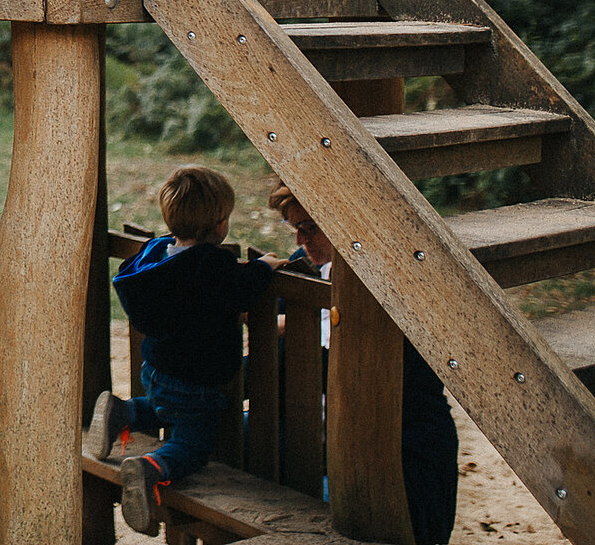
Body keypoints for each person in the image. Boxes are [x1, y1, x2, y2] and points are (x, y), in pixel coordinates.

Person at [86, 164, 282, 533]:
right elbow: (242, 289)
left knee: (164, 408)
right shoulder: (210, 265)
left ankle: (122, 411)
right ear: (221, 224)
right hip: (195, 378)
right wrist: (264, 267)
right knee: (193, 441)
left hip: (158, 369)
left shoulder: (158, 256)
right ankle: (151, 468)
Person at [270, 181, 458, 545]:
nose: (300, 240)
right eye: (295, 228)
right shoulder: (302, 271)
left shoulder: (390, 285)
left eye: (310, 228)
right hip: (326, 446)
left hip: (400, 445)